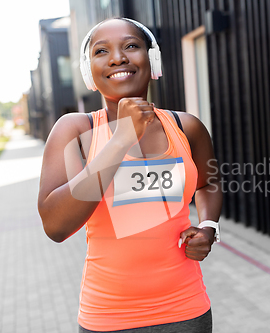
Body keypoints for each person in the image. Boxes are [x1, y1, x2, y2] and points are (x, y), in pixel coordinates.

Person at [37, 17, 222, 333]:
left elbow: (209, 183)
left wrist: (208, 227)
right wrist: (120, 138)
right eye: (101, 51)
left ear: (153, 60)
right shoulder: (76, 130)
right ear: (89, 72)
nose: (117, 58)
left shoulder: (186, 127)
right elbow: (56, 226)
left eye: (131, 46)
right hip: (108, 318)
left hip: (186, 312)